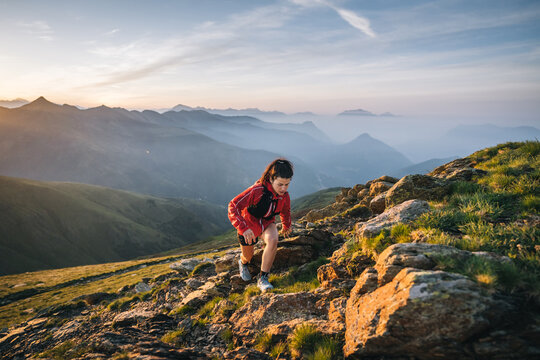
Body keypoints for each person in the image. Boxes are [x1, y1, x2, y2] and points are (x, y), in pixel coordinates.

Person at [228, 158, 293, 292]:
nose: (284, 188)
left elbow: (285, 211)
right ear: (271, 178)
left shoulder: (284, 196)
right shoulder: (257, 190)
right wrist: (243, 228)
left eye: (287, 184)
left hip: (268, 223)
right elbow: (233, 205)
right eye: (280, 184)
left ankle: (263, 278)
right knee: (248, 256)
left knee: (273, 240)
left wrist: (286, 225)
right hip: (249, 225)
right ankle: (243, 263)